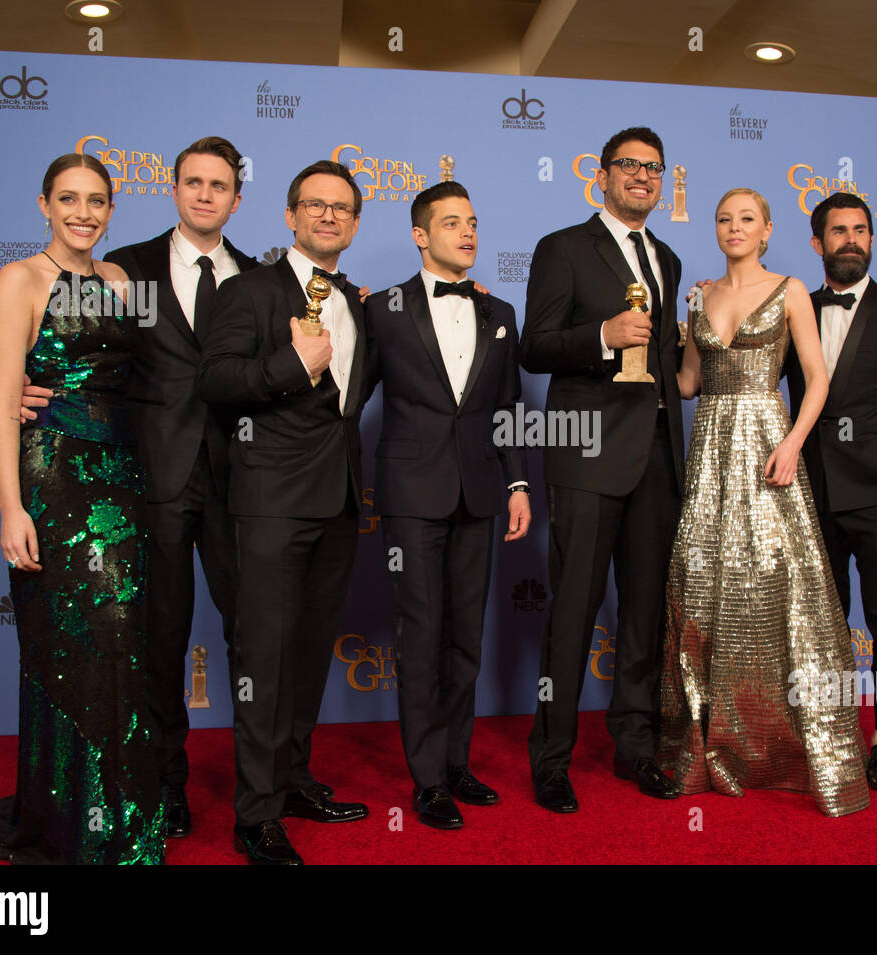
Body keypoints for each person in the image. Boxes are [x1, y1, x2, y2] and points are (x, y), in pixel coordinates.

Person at [22, 136, 257, 839]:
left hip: (239, 484)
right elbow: (91, 357)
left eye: (219, 185)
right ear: (174, 189)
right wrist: (40, 386)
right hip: (146, 478)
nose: (205, 194)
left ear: (236, 198)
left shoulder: (259, 277)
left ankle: (263, 792)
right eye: (193, 181)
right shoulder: (129, 271)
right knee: (157, 642)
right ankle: (164, 786)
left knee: (252, 639)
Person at [0, 153, 164, 863]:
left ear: (112, 210)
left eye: (98, 201)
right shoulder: (18, 279)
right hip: (54, 477)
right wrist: (10, 508)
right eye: (69, 199)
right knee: (70, 641)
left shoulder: (118, 280)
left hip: (120, 475)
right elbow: (0, 403)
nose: (84, 212)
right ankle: (68, 820)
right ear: (44, 204)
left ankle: (115, 812)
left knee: (121, 639)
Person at [657, 188, 870, 817]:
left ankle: (791, 748)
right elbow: (690, 383)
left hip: (768, 444)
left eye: (746, 218)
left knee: (783, 590)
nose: (733, 228)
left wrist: (793, 443)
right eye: (723, 219)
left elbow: (816, 375)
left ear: (768, 230)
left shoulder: (792, 290)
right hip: (710, 454)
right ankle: (711, 745)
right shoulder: (700, 296)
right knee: (703, 588)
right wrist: (645, 343)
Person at [196, 160, 370, 865]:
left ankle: (294, 780)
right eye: (314, 205)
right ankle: (256, 815)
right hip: (269, 502)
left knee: (305, 655)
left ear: (355, 224)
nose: (328, 217)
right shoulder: (250, 291)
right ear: (291, 216)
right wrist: (289, 366)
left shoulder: (358, 301)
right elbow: (215, 380)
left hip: (338, 502)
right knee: (263, 660)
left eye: (342, 209)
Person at [520, 127, 684, 812]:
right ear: (603, 176)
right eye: (630, 166)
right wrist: (602, 337)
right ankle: (551, 758)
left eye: (653, 168)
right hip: (586, 452)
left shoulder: (667, 258)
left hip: (655, 456)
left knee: (645, 611)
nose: (642, 177)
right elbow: (533, 347)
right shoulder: (563, 247)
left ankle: (635, 747)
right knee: (575, 610)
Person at [361, 181, 530, 830]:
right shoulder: (383, 309)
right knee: (422, 636)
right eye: (452, 221)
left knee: (466, 636)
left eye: (474, 222)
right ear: (420, 234)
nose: (468, 232)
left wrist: (517, 485)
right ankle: (428, 779)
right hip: (409, 496)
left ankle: (458, 763)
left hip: (481, 492)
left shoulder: (501, 314)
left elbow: (510, 409)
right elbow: (351, 394)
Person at [782, 192, 877, 791]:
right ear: (817, 243)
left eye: (860, 230)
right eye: (838, 231)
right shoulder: (793, 308)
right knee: (819, 619)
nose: (851, 240)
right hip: (809, 491)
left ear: (872, 240)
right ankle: (825, 726)